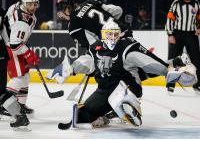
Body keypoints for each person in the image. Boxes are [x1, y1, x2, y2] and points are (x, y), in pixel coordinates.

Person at [49, 21, 196, 128]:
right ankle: (107, 114)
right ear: (102, 35)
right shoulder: (95, 48)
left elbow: (149, 63)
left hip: (127, 87)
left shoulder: (127, 48)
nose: (112, 37)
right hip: (104, 90)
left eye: (115, 34)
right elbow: (85, 62)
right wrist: (67, 70)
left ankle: (128, 107)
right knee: (81, 117)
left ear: (119, 35)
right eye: (109, 34)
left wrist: (169, 71)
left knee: (120, 99)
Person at [3, 0, 40, 114]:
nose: (33, 7)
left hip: (14, 44)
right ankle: (4, 106)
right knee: (18, 78)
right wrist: (28, 53)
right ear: (24, 3)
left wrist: (23, 45)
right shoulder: (22, 21)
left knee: (25, 77)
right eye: (30, 4)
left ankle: (20, 104)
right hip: (11, 48)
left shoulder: (16, 6)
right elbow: (15, 44)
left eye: (35, 3)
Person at [165, 0, 200, 92]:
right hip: (177, 34)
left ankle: (197, 83)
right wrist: (170, 34)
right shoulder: (176, 3)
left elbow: (199, 18)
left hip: (191, 35)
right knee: (174, 59)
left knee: (196, 59)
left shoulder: (197, 4)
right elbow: (170, 19)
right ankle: (170, 84)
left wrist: (198, 28)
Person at [0, 7, 30, 129]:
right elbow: (7, 34)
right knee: (1, 91)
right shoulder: (1, 11)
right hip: (2, 53)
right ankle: (20, 117)